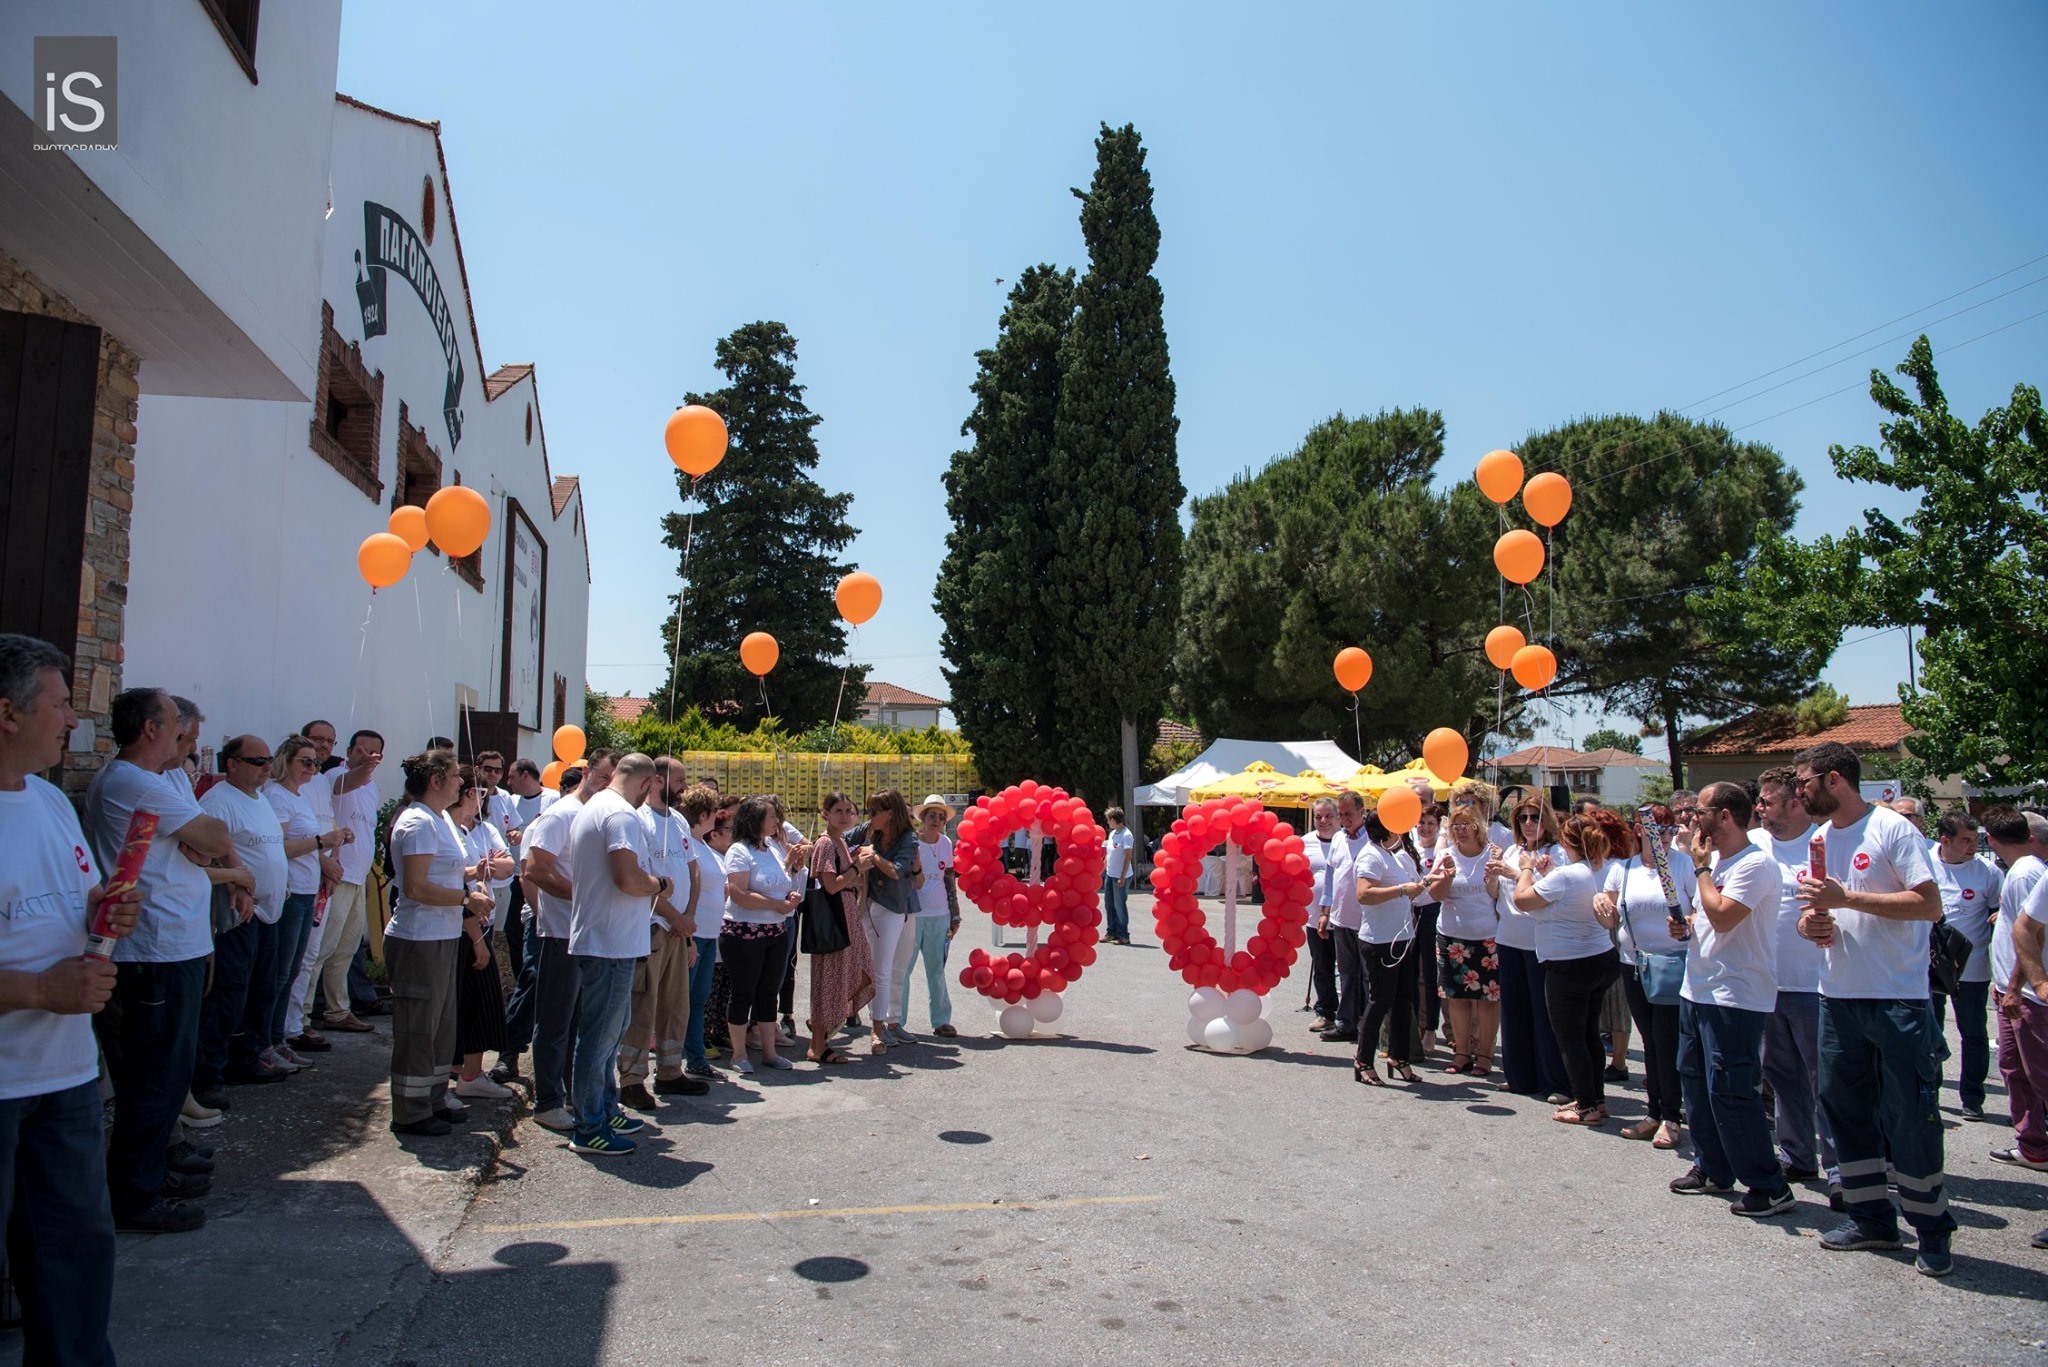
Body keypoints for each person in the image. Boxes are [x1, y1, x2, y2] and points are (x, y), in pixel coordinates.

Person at [0, 635, 143, 1359]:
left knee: (76, 1256)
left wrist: (109, 909)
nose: (72, 721)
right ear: (7, 713)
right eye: (59, 703)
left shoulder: (52, 803)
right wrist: (39, 988)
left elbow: (86, 895)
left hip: (65, 1078)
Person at [1793, 741, 1955, 1276]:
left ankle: (1931, 1230)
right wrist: (1811, 923)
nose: (1799, 792)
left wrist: (1847, 901)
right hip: (1837, 996)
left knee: (1910, 1116)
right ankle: (1872, 1220)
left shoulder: (1892, 829)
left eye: (1804, 782)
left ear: (1834, 779)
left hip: (1896, 999)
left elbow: (1928, 904)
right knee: (1844, 1109)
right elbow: (1817, 913)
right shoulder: (1818, 839)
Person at [82, 687, 233, 1231]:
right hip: (154, 949)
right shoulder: (133, 781)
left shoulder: (157, 781)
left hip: (173, 944)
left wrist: (199, 841)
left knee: (165, 1074)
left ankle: (153, 1171)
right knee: (154, 1077)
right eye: (175, 726)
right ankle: (135, 1194)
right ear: (150, 729)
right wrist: (199, 840)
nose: (184, 737)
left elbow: (207, 841)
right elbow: (214, 835)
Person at [1666, 783, 1793, 1217]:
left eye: (1698, 811)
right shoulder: (1719, 863)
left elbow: (1723, 917)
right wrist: (1687, 923)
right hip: (1697, 988)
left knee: (1733, 1091)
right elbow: (1707, 915)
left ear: (1724, 816)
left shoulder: (1755, 865)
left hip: (1735, 996)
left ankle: (1768, 1185)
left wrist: (1700, 871)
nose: (1689, 818)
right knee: (1696, 1083)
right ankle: (1712, 1166)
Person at [567, 754, 688, 1156]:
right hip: (609, 942)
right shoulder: (621, 815)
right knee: (600, 1038)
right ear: (647, 783)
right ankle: (588, 1125)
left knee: (608, 1034)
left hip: (610, 939)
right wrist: (661, 883)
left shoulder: (599, 806)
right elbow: (627, 877)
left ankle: (602, 1108)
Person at [383, 749, 490, 1138]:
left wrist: (471, 874)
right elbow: (415, 886)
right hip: (418, 939)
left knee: (442, 1025)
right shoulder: (416, 822)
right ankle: (410, 1112)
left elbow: (442, 870)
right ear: (435, 781)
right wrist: (466, 900)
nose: (462, 783)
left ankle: (433, 1098)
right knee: (418, 1027)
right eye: (456, 776)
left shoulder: (440, 818)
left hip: (442, 936)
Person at [1752, 765, 1836, 1196]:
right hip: (1767, 983)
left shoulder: (1823, 844)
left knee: (1825, 1081)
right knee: (1782, 1077)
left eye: (1767, 801)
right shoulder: (1754, 845)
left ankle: (1840, 1170)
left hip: (1815, 985)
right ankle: (1798, 1156)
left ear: (1796, 803)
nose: (1759, 808)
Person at [194, 735, 290, 1101]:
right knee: (229, 994)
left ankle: (249, 1055)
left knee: (262, 990)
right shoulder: (218, 802)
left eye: (268, 760)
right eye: (257, 761)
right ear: (231, 764)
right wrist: (236, 883)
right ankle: (210, 1075)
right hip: (238, 912)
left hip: (268, 911)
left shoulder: (260, 798)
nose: (267, 766)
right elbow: (207, 852)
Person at [1595, 802, 1696, 1148]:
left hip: (1673, 965)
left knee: (1667, 1042)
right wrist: (1601, 907)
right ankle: (1655, 1111)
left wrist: (1688, 926)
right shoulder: (1623, 870)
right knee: (1651, 1042)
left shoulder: (1683, 866)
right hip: (1635, 964)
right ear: (1640, 830)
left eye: (1670, 830)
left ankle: (1671, 1115)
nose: (1664, 837)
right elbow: (1611, 919)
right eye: (1658, 829)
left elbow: (1699, 912)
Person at [1514, 812, 1619, 1125]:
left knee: (1571, 1038)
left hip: (1568, 964)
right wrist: (1549, 873)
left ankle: (1585, 1106)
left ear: (1566, 842)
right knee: (1589, 1034)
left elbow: (1522, 900)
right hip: (1601, 957)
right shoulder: (1602, 869)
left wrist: (1526, 870)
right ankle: (1595, 1099)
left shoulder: (1567, 875)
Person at [617, 757, 706, 1110]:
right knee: (644, 1004)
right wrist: (674, 916)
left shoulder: (680, 820)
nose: (684, 787)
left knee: (675, 1004)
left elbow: (693, 871)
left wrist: (688, 920)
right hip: (652, 926)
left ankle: (670, 1071)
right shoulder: (639, 820)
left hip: (678, 930)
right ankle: (632, 1079)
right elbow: (642, 877)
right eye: (679, 780)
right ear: (656, 781)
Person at [264, 735, 343, 1069]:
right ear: (287, 761)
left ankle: (279, 1039)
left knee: (293, 969)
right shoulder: (276, 796)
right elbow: (279, 847)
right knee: (280, 972)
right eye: (306, 761)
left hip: (307, 889)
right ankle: (268, 1040)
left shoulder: (299, 797)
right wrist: (319, 842)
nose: (313, 768)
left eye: (316, 762)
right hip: (290, 892)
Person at [1980, 807, 2048, 1182]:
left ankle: (2034, 1144)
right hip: (2014, 990)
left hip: (2023, 995)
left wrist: (2016, 988)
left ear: (1990, 838)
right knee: (2016, 1069)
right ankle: (2031, 1144)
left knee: (2035, 1075)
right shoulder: (2025, 871)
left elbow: (2032, 935)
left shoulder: (2024, 873)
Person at [1490, 797, 1570, 1100]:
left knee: (1545, 1014)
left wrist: (1516, 873)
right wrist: (1494, 876)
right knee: (1514, 1012)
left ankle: (1555, 1082)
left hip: (1541, 943)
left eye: (1534, 817)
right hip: (1508, 938)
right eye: (1521, 818)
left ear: (1545, 819)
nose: (1527, 823)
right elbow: (1495, 894)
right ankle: (1519, 1076)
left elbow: (1553, 893)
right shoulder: (1512, 850)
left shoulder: (1557, 854)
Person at [307, 729, 382, 1035]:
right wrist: (363, 767)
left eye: (373, 754)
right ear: (349, 752)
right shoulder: (335, 775)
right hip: (336, 877)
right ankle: (301, 1015)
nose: (367, 758)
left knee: (346, 949)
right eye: (361, 751)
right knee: (320, 950)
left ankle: (337, 1010)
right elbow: (346, 783)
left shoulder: (372, 786)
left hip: (357, 878)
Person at [722, 795, 803, 1073]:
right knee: (743, 992)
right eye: (771, 817)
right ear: (756, 820)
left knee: (769, 993)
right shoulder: (739, 851)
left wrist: (789, 890)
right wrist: (775, 904)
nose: (776, 821)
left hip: (776, 930)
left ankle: (769, 1052)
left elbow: (781, 881)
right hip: (744, 931)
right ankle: (739, 1054)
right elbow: (738, 893)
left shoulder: (773, 848)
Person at [1929, 810, 2000, 1120]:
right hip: (1929, 968)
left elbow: (1999, 920)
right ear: (1945, 841)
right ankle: (1929, 1090)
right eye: (1966, 841)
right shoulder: (1926, 862)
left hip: (1972, 969)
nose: (1974, 846)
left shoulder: (1988, 872)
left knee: (1972, 1033)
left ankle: (1972, 1097)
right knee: (1930, 1031)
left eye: (1975, 840)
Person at [450, 771, 515, 1101]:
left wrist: (478, 875)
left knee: (475, 1000)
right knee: (472, 1000)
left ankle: (466, 1072)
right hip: (463, 928)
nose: (481, 798)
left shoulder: (469, 829)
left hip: (474, 923)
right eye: (475, 791)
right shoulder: (447, 828)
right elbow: (456, 880)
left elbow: (505, 866)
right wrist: (476, 935)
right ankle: (464, 1075)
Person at [1425, 807, 1500, 1076]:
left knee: (1487, 1000)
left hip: (1487, 937)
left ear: (1478, 826)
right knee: (1456, 998)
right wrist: (1448, 876)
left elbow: (1496, 893)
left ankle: (1485, 1055)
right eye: (1455, 826)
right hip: (1451, 937)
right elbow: (1435, 895)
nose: (1460, 831)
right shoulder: (1446, 855)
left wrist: (1493, 876)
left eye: (1465, 825)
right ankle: (1461, 1053)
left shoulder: (1492, 853)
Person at [1351, 810, 1424, 1085]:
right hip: (1379, 940)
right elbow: (1364, 894)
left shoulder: (1394, 853)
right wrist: (1402, 890)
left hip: (1401, 938)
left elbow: (1414, 888)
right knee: (1380, 1001)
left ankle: (1399, 1056)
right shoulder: (1371, 855)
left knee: (1404, 1000)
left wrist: (1437, 877)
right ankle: (1363, 1060)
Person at [806, 791, 876, 1065]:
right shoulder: (826, 843)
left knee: (859, 971)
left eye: (849, 811)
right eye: (838, 811)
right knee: (831, 979)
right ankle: (818, 1042)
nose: (845, 816)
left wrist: (855, 869)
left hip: (847, 915)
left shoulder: (841, 843)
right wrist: (856, 869)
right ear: (826, 814)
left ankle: (823, 1026)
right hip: (834, 917)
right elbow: (831, 884)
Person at [494, 755, 549, 1079]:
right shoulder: (551, 814)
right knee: (531, 977)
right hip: (540, 913)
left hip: (577, 922)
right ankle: (510, 1050)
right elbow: (526, 872)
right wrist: (541, 913)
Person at [854, 789, 921, 1054]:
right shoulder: (870, 831)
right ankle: (875, 1023)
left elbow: (898, 871)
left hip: (894, 909)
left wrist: (872, 856)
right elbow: (840, 839)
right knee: (872, 970)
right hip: (868, 907)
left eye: (874, 812)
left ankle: (882, 1025)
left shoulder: (908, 839)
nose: (869, 817)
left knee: (889, 970)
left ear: (890, 814)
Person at [897, 795, 961, 1037]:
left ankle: (941, 1019)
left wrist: (955, 915)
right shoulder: (911, 843)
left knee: (937, 970)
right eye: (932, 815)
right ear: (922, 818)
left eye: (941, 817)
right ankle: (897, 1021)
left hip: (940, 914)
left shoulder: (946, 843)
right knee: (904, 970)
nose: (936, 820)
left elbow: (949, 879)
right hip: (914, 915)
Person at [680, 785, 728, 1079]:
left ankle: (695, 1058)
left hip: (709, 936)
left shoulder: (704, 847)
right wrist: (688, 939)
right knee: (684, 1001)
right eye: (714, 811)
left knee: (698, 1000)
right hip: (695, 935)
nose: (719, 816)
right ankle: (680, 1059)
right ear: (703, 815)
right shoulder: (688, 845)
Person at [1319, 792, 1375, 1044]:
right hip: (1341, 919)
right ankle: (1346, 1023)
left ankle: (1369, 1024)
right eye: (1341, 814)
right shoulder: (1339, 838)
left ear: (1362, 812)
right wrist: (1325, 911)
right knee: (1347, 973)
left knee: (1368, 976)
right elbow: (1331, 875)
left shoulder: (1374, 839)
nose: (1344, 819)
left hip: (1368, 920)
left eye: (1348, 814)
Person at [1303, 799, 1347, 1032]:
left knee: (1351, 970)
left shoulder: (1348, 840)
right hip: (1313, 917)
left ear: (1339, 817)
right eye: (1319, 816)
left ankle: (1353, 1014)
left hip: (1345, 918)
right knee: (1322, 967)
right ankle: (1326, 1012)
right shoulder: (1304, 843)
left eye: (1329, 816)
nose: (1323, 821)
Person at [1410, 804, 1443, 1055]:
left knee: (1430, 975)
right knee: (1410, 974)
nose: (1425, 827)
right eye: (1421, 822)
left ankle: (1430, 1028)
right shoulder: (1409, 847)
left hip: (1434, 911)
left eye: (1430, 822)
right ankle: (1412, 1028)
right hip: (1410, 912)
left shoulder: (1444, 850)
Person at [1103, 806, 1136, 945]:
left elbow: (1128, 857)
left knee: (1119, 905)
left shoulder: (1126, 835)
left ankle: (1123, 935)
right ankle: (1111, 932)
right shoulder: (1112, 834)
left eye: (1108, 820)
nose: (1107, 823)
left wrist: (1122, 877)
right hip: (1110, 874)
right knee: (1109, 904)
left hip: (1121, 876)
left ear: (1113, 820)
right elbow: (1109, 853)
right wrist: (1104, 868)